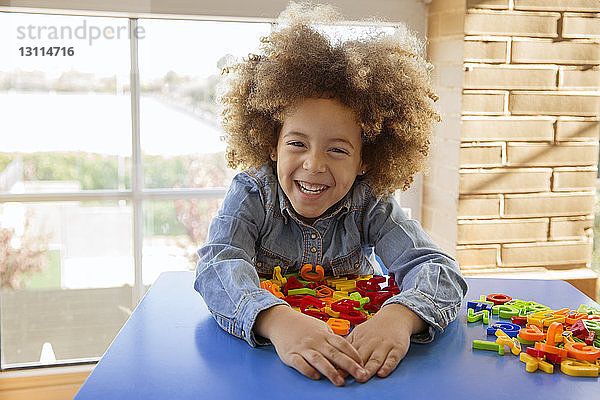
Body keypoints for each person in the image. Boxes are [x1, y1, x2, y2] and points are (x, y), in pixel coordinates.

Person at [194, 2, 468, 387]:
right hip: (265, 362)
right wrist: (276, 319)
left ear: (364, 161)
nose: (313, 165)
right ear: (271, 145)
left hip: (354, 355)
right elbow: (216, 265)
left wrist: (400, 317)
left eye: (337, 149)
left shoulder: (370, 200)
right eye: (296, 143)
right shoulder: (252, 191)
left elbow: (437, 269)